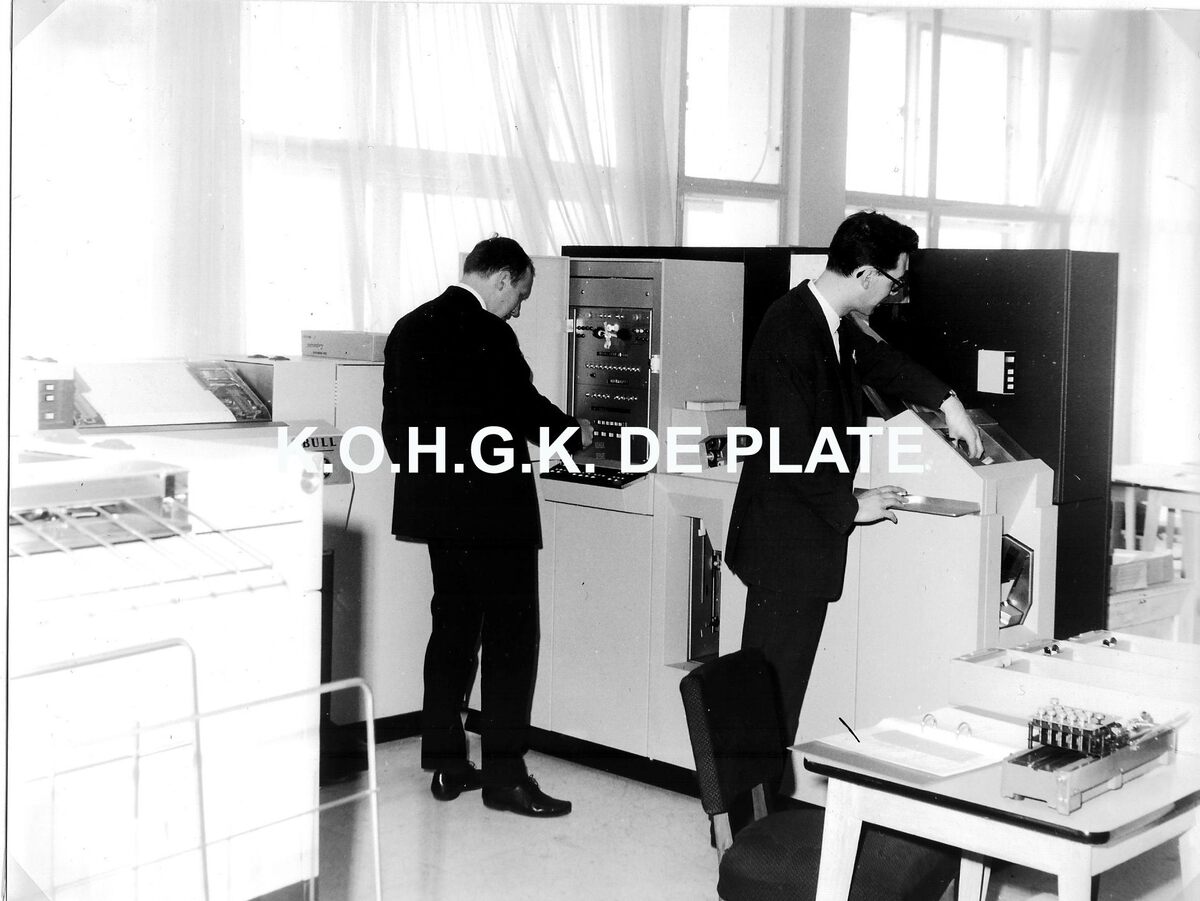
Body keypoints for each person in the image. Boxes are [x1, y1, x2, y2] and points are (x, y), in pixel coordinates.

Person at [725, 211, 983, 751]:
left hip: (797, 538)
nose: (894, 294)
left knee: (776, 697)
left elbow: (884, 363)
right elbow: (787, 445)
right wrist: (850, 505)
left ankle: (757, 798)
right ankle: (748, 805)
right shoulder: (790, 327)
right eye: (894, 282)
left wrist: (948, 402)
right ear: (865, 275)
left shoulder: (831, 323)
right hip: (785, 546)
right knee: (769, 699)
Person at [382, 235, 593, 818]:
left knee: (451, 632)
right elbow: (524, 409)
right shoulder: (489, 334)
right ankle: (504, 777)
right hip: (494, 515)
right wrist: (578, 434)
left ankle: (446, 766)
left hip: (439, 514)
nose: (518, 309)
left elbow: (396, 434)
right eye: (520, 295)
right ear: (501, 279)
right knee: (510, 641)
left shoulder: (409, 328)